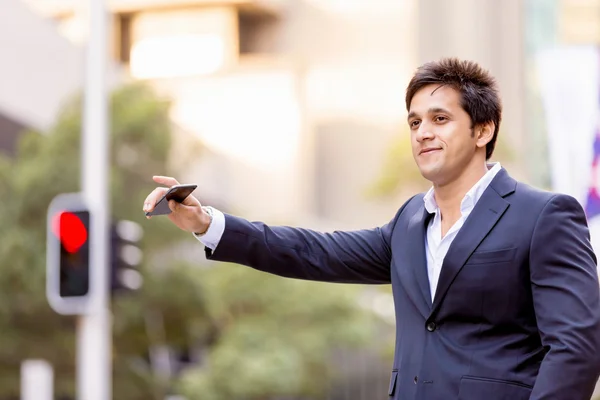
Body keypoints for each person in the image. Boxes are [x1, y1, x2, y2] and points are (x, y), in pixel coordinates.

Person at [143, 58, 600, 400]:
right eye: (415, 122)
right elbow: (313, 251)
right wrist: (207, 223)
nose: (422, 132)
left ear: (483, 130)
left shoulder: (543, 216)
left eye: (440, 119)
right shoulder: (408, 223)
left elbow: (576, 349)